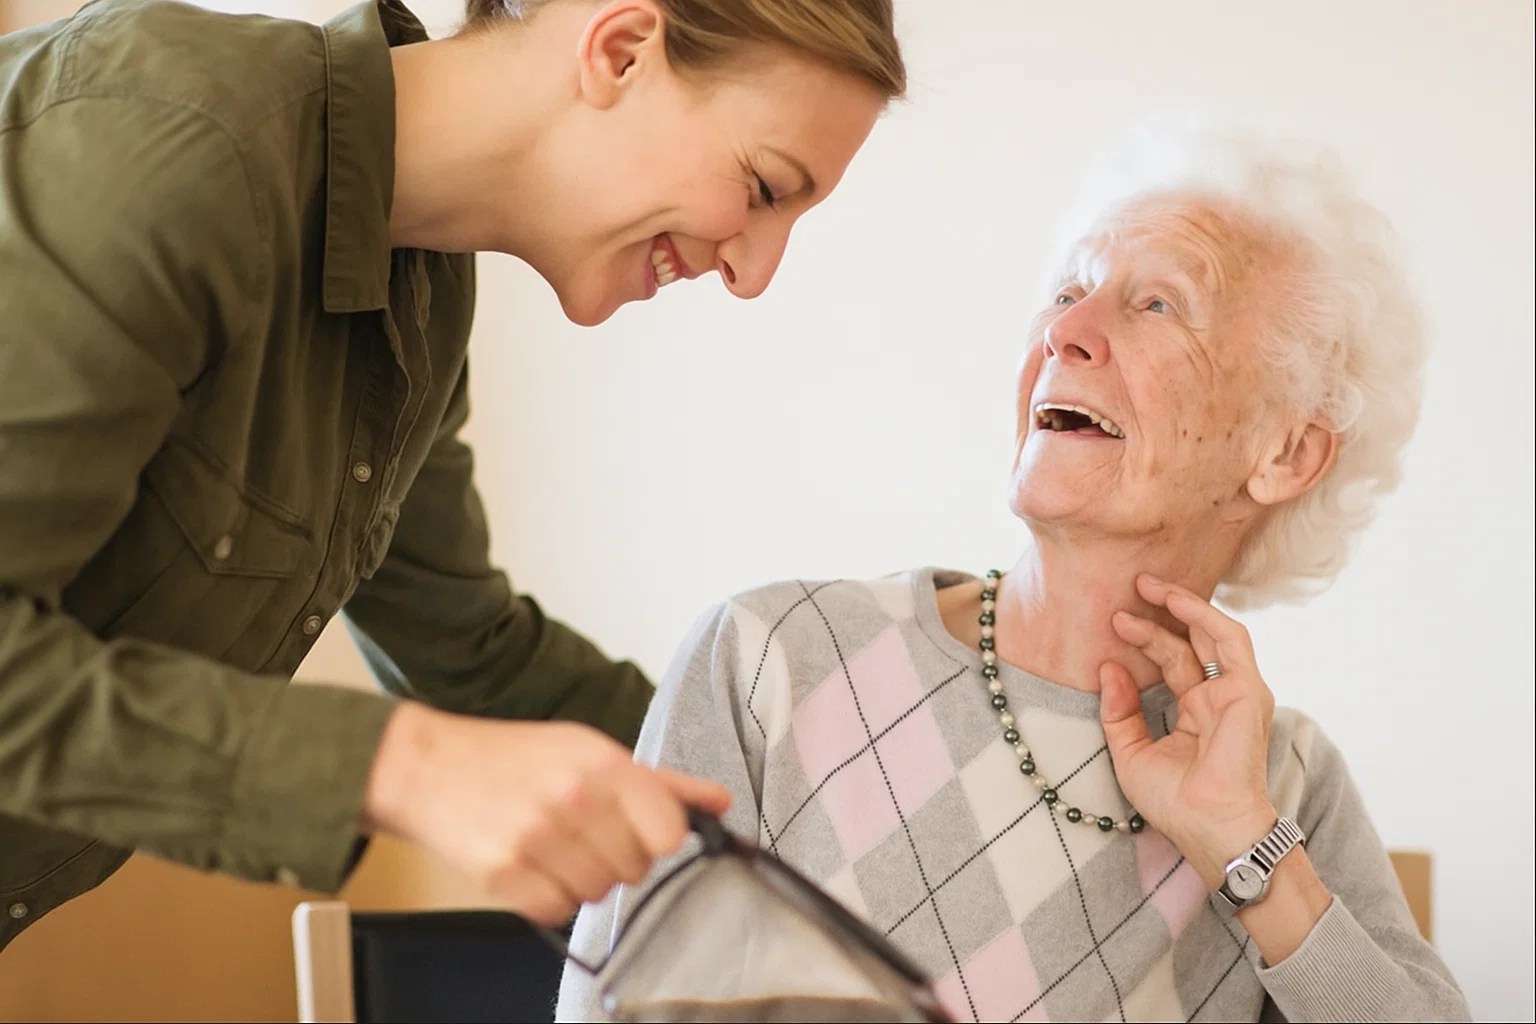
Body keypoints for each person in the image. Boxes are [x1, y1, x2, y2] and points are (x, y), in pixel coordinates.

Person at [0, 0, 904, 949]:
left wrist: (805, 788)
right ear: (623, 50)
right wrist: (410, 770)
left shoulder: (424, 299)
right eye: (764, 188)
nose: (754, 273)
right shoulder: (172, 144)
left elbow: (464, 650)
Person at [558, 119, 1473, 1022]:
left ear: (1283, 452)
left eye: (1158, 304)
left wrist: (1244, 845)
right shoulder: (769, 658)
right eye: (1069, 289)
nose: (1066, 331)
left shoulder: (1284, 781)